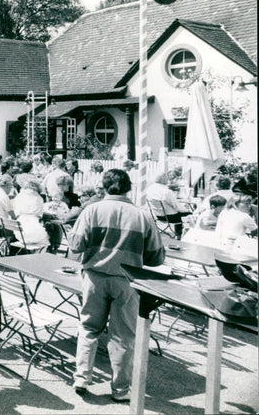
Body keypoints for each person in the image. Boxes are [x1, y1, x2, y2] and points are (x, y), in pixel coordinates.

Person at [68, 169, 165, 402]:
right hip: (128, 281)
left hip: (94, 276)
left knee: (89, 327)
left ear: (104, 186)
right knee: (123, 336)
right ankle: (120, 389)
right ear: (128, 187)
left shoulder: (92, 210)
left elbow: (76, 244)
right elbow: (156, 259)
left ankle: (82, 376)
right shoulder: (142, 216)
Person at [146, 173, 191, 239]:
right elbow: (177, 207)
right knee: (190, 214)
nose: (168, 179)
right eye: (166, 177)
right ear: (163, 179)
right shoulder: (166, 191)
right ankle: (179, 236)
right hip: (171, 217)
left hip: (157, 216)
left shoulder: (149, 189)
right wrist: (188, 210)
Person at [12, 181, 50, 251]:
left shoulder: (18, 197)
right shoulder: (38, 198)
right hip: (34, 232)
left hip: (19, 233)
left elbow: (15, 212)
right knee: (46, 237)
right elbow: (39, 216)